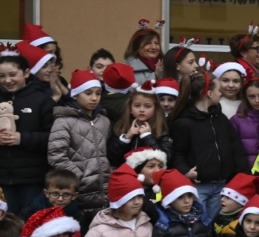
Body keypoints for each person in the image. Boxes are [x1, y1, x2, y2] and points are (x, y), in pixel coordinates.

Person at [169, 71, 248, 219]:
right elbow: (177, 153)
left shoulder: (221, 119)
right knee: (200, 223)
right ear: (209, 93)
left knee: (216, 224)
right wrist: (185, 171)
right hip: (199, 186)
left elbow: (235, 147)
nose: (221, 94)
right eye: (219, 90)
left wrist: (242, 175)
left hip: (223, 184)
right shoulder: (184, 123)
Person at [48, 70, 112, 215]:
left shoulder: (104, 120)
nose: (94, 98)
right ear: (76, 95)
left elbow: (108, 152)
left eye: (98, 93)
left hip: (104, 190)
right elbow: (56, 156)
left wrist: (109, 174)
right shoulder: (63, 121)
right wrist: (80, 177)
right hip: (78, 190)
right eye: (88, 93)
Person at [0, 50, 54, 215]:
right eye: (2, 76)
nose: (7, 80)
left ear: (26, 73)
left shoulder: (41, 100)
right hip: (2, 179)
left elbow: (53, 137)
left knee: (29, 225)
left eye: (12, 74)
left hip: (32, 179)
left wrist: (21, 138)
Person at [107, 86, 171, 168]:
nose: (141, 110)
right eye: (137, 106)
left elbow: (167, 158)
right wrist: (126, 138)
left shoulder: (161, 129)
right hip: (126, 175)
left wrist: (148, 137)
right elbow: (112, 158)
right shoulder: (121, 127)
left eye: (147, 106)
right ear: (130, 108)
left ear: (155, 109)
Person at [231, 76, 259, 161]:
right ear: (246, 97)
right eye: (252, 97)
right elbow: (233, 150)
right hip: (247, 169)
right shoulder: (237, 120)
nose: (257, 100)